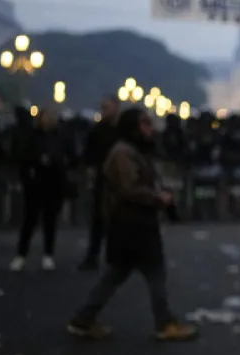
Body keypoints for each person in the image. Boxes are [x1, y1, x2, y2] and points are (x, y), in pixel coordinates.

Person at [68, 107, 199, 342]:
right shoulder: (123, 153)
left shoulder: (132, 151)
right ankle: (164, 322)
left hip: (132, 223)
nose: (151, 128)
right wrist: (158, 198)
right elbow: (129, 189)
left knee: (117, 274)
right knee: (154, 272)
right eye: (145, 123)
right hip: (133, 222)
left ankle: (84, 318)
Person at [11, 107, 73, 271]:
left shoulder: (58, 137)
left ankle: (47, 254)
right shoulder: (35, 137)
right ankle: (22, 254)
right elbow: (23, 156)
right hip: (37, 182)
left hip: (53, 182)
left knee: (49, 221)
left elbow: (72, 156)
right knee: (30, 221)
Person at [79, 97, 120, 270]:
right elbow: (89, 155)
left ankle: (115, 256)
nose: (105, 111)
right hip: (103, 179)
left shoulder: (121, 131)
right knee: (99, 218)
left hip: (119, 179)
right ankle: (93, 255)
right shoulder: (97, 131)